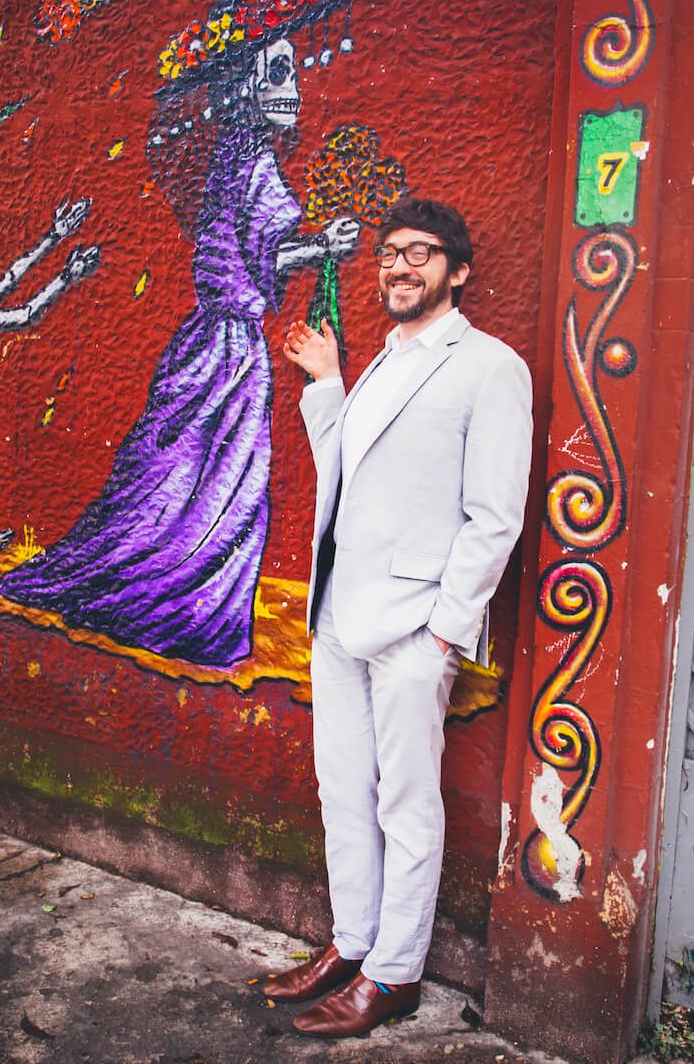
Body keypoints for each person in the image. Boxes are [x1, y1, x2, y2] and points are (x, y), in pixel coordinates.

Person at [0, 0, 359, 666]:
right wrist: (323, 245)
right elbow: (267, 254)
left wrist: (309, 247)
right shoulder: (251, 163)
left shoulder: (234, 158)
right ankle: (185, 610)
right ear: (247, 85)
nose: (294, 88)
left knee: (188, 473)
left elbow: (247, 251)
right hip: (230, 348)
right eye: (278, 72)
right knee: (223, 483)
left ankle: (159, 592)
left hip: (212, 341)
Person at [270, 197, 532, 1036]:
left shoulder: (490, 366)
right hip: (341, 611)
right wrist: (330, 385)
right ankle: (352, 945)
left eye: (421, 254)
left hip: (418, 624)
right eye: (389, 253)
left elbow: (496, 516)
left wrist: (448, 631)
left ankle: (394, 976)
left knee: (406, 804)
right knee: (342, 792)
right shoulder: (382, 358)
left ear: (457, 271)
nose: (400, 266)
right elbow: (349, 470)